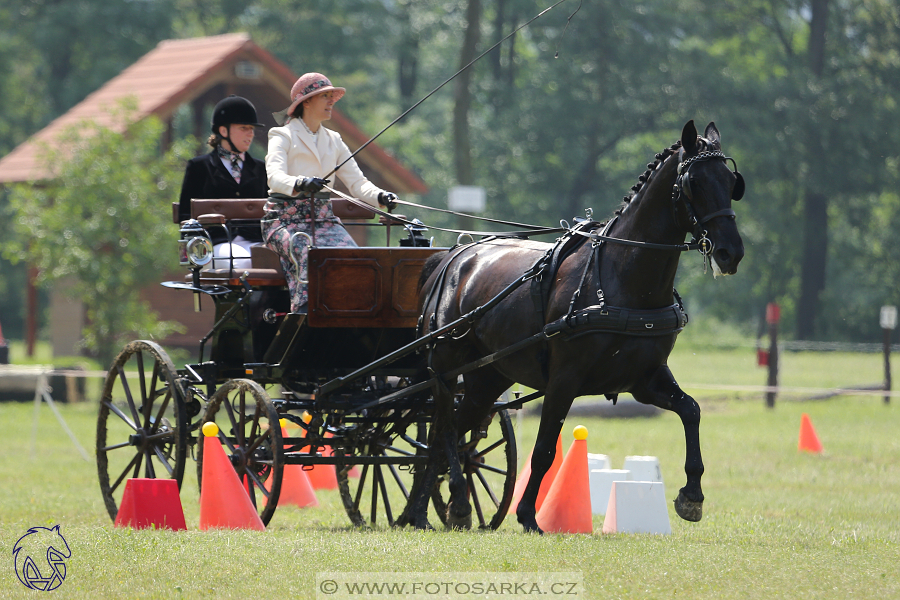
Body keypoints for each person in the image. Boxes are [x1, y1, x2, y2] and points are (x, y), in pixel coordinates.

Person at [262, 72, 398, 313]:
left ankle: (353, 313)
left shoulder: (334, 140)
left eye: (332, 96)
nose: (331, 101)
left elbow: (358, 184)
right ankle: (305, 313)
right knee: (307, 252)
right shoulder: (281, 135)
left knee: (355, 259)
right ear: (306, 102)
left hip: (323, 220)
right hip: (284, 221)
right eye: (325, 96)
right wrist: (301, 182)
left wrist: (380, 196)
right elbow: (274, 176)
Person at [178, 95, 268, 268]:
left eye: (252, 128)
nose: (251, 133)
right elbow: (185, 214)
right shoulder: (199, 167)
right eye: (244, 128)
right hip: (215, 243)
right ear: (224, 131)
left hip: (255, 241)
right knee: (242, 262)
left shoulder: (261, 168)